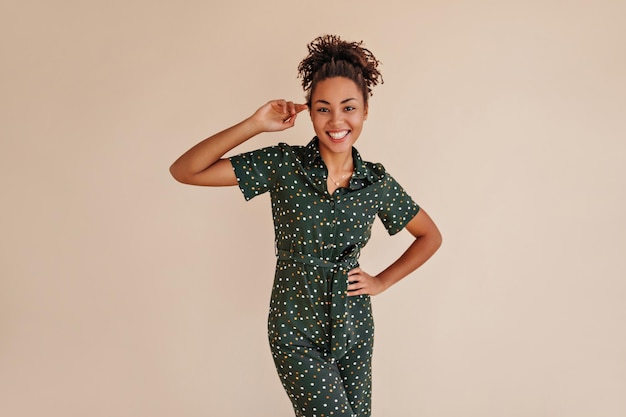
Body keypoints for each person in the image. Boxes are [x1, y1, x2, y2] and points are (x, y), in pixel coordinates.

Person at [170, 34, 442, 417]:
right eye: (323, 109)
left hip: (354, 327)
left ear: (365, 110)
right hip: (295, 328)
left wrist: (381, 282)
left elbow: (430, 236)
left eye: (348, 107)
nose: (336, 121)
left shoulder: (376, 183)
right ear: (310, 113)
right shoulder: (284, 166)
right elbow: (185, 170)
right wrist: (255, 124)